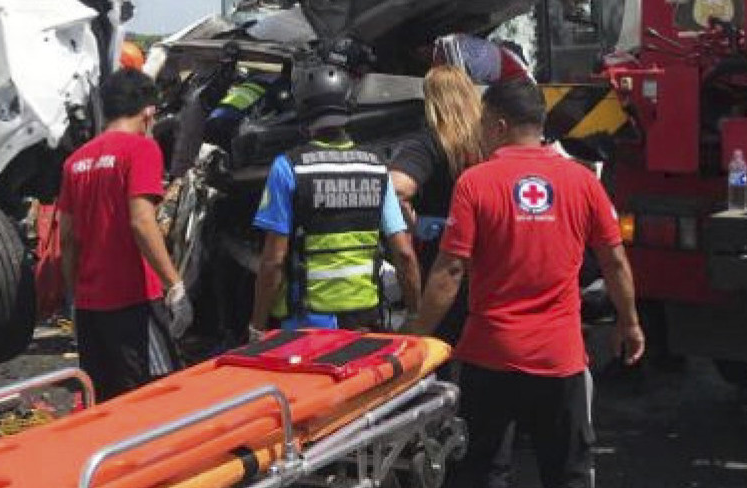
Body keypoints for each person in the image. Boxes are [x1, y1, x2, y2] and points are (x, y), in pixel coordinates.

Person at [407, 79, 644, 488]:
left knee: (483, 473)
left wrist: (417, 337)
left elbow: (450, 272)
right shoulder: (582, 180)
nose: (480, 133)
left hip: (490, 356)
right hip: (560, 359)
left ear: (499, 125)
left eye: (483, 124)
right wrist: (630, 322)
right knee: (567, 474)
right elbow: (615, 261)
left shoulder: (476, 183)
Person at [248, 63, 422, 337]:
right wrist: (414, 316)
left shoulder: (288, 167)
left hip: (307, 328)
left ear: (303, 111)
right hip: (364, 323)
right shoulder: (376, 168)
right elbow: (404, 254)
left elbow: (273, 261)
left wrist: (257, 327)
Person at [58, 69, 194, 401]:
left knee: (105, 403)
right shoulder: (141, 149)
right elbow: (142, 222)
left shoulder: (75, 162)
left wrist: (74, 297)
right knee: (152, 399)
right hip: (134, 302)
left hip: (90, 308)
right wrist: (175, 286)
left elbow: (68, 238)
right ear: (148, 112)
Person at [389, 65, 485, 346]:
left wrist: (411, 223)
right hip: (487, 261)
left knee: (437, 349)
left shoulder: (428, 143)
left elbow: (396, 188)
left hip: (441, 262)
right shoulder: (489, 142)